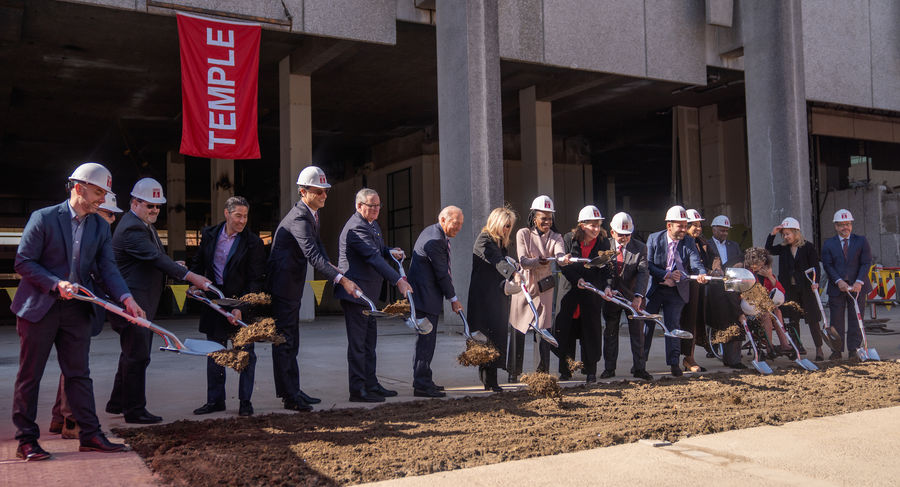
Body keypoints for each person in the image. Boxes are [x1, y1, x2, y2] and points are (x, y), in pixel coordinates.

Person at [12, 163, 143, 461]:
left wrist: (126, 297)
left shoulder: (98, 226)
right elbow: (23, 262)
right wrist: (55, 283)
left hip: (75, 310)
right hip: (39, 308)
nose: (102, 199)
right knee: (30, 375)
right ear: (78, 188)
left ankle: (90, 435)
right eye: (98, 192)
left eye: (104, 193)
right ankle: (26, 441)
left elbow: (107, 267)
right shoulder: (44, 218)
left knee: (79, 375)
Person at [106, 177, 212, 424]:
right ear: (135, 202)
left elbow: (151, 258)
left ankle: (118, 402)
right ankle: (134, 410)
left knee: (130, 353)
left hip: (141, 300)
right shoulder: (132, 228)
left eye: (157, 206)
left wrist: (173, 267)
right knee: (138, 355)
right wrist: (191, 276)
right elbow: (154, 257)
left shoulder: (143, 225)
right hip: (133, 303)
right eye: (149, 205)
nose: (154, 210)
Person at [268, 166, 360, 411]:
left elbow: (319, 249)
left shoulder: (311, 215)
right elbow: (312, 255)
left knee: (292, 340)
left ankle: (294, 389)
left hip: (292, 287)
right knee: (285, 341)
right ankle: (289, 396)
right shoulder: (299, 218)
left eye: (325, 191)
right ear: (303, 191)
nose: (324, 196)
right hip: (283, 287)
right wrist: (341, 280)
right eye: (318, 191)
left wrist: (338, 271)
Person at [49, 194, 123, 439]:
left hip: (81, 305)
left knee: (72, 363)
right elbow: (99, 272)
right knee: (76, 365)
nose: (112, 219)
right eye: (110, 214)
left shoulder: (95, 234)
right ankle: (71, 421)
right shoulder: (83, 237)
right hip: (73, 307)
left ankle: (58, 417)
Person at [190, 196, 266, 417]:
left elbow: (256, 280)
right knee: (215, 352)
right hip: (215, 299)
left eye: (245, 216)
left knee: (246, 353)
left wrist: (242, 307)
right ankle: (215, 401)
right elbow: (198, 263)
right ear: (227, 213)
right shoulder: (209, 235)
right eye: (238, 216)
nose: (242, 221)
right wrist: (194, 283)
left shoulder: (253, 242)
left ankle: (245, 401)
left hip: (241, 299)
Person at [335, 188, 412, 403]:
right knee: (359, 344)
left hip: (369, 293)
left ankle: (371, 383)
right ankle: (357, 389)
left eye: (379, 205)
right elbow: (371, 257)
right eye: (372, 205)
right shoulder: (356, 227)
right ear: (359, 206)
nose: (377, 209)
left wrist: (389, 251)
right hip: (356, 293)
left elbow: (377, 250)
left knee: (369, 342)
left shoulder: (371, 224)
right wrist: (398, 280)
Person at [508, 195, 570, 381]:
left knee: (543, 330)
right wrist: (538, 261)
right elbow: (523, 261)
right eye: (544, 218)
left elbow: (559, 253)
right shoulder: (523, 234)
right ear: (534, 217)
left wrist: (562, 258)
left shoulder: (556, 237)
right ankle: (514, 372)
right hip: (524, 288)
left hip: (545, 288)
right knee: (518, 329)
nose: (547, 222)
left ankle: (541, 374)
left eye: (550, 218)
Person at [643, 205, 707, 377]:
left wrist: (702, 274)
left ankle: (674, 364)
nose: (684, 229)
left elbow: (696, 263)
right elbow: (648, 264)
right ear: (669, 226)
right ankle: (640, 365)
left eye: (685, 225)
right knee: (647, 324)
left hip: (676, 291)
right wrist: (666, 274)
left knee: (673, 327)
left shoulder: (688, 241)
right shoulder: (654, 239)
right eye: (680, 226)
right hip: (656, 288)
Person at [408, 206, 464, 397]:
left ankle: (424, 379)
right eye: (455, 224)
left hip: (426, 296)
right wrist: (453, 299)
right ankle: (422, 384)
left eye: (461, 225)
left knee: (426, 342)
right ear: (443, 220)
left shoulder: (434, 233)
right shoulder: (435, 240)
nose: (458, 228)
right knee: (425, 342)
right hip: (424, 298)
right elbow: (442, 274)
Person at [466, 207, 518, 392]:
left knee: (498, 336)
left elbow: (503, 259)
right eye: (505, 225)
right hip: (483, 299)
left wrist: (513, 265)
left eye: (509, 226)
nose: (507, 229)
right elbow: (497, 261)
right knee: (486, 338)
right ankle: (489, 381)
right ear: (496, 222)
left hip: (497, 297)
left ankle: (492, 380)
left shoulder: (500, 243)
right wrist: (513, 274)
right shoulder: (484, 240)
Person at [555, 205, 608, 383]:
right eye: (592, 225)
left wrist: (606, 286)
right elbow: (563, 264)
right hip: (570, 291)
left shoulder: (603, 242)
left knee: (590, 332)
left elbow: (606, 268)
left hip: (590, 294)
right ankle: (566, 369)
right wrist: (577, 279)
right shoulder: (568, 238)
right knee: (566, 331)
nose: (596, 229)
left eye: (598, 225)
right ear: (582, 225)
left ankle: (590, 369)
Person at [765, 217, 827, 361]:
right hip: (790, 289)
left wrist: (815, 282)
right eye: (784, 234)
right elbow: (768, 250)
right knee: (793, 319)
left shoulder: (808, 247)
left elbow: (815, 266)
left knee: (813, 319)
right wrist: (772, 234)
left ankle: (819, 349)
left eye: (788, 233)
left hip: (806, 288)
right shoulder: (783, 248)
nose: (786, 237)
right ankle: (798, 346)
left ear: (796, 232)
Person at [600, 212, 652, 381]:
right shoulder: (604, 246)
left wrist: (639, 296)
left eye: (627, 235)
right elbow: (601, 271)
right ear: (612, 232)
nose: (624, 238)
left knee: (638, 334)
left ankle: (639, 368)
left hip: (632, 296)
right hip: (611, 296)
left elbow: (643, 273)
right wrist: (606, 287)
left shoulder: (640, 247)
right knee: (610, 333)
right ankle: (609, 368)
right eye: (620, 235)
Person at [820, 209, 872, 361]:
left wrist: (859, 282)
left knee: (856, 319)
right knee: (836, 321)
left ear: (851, 224)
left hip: (858, 288)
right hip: (837, 288)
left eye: (848, 224)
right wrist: (838, 281)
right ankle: (836, 350)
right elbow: (828, 265)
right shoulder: (829, 244)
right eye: (842, 225)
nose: (845, 227)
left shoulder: (861, 241)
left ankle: (854, 350)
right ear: (836, 226)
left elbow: (866, 262)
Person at [679, 209, 719, 373]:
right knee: (683, 323)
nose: (698, 228)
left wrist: (715, 269)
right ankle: (682, 358)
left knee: (694, 323)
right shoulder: (681, 241)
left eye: (700, 225)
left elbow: (714, 258)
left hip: (698, 288)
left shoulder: (702, 242)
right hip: (681, 287)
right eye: (694, 225)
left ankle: (690, 358)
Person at [744, 247, 791, 356]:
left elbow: (781, 291)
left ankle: (784, 344)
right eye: (758, 264)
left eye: (762, 264)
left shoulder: (766, 275)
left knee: (777, 310)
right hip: (751, 308)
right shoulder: (747, 274)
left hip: (765, 307)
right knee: (766, 314)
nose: (761, 267)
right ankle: (770, 347)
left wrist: (770, 277)